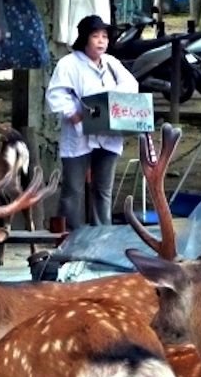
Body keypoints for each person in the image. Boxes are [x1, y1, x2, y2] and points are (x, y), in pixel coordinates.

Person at [46, 13, 139, 229]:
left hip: (107, 133)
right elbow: (56, 94)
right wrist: (74, 113)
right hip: (79, 135)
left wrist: (108, 101)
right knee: (73, 189)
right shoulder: (69, 64)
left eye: (104, 37)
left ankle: (102, 235)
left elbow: (130, 85)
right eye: (96, 36)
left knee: (103, 189)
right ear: (85, 39)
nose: (101, 41)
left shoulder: (111, 63)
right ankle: (70, 235)